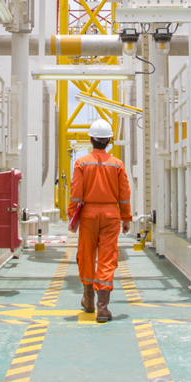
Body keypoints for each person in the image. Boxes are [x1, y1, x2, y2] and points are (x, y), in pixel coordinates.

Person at [68, 119, 132, 323]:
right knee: (107, 258)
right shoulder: (117, 164)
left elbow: (76, 193)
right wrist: (126, 218)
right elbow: (124, 194)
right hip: (111, 215)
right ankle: (102, 307)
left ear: (91, 140)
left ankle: (88, 299)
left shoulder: (81, 163)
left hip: (88, 215)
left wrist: (72, 217)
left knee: (86, 255)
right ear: (109, 141)